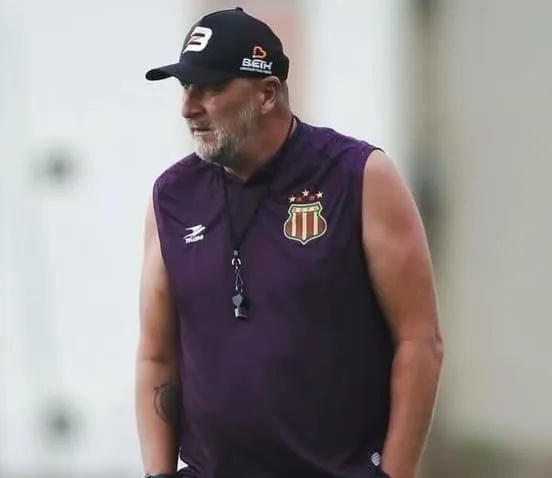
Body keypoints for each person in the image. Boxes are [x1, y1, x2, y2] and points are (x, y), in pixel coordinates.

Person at [136, 7, 444, 478]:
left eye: (212, 88)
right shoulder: (172, 197)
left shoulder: (357, 177)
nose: (189, 107)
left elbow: (420, 340)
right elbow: (157, 356)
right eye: (185, 87)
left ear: (266, 94)